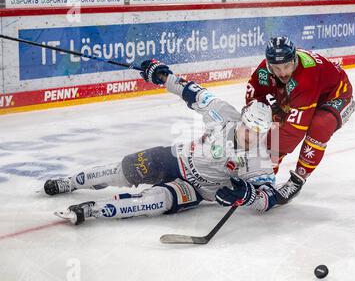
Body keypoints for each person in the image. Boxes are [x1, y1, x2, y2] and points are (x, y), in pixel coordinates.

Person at [44, 59, 285, 225]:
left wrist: (247, 195)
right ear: (241, 117)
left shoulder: (261, 158)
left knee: (154, 202)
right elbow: (191, 92)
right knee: (123, 170)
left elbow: (270, 198)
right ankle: (71, 182)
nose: (249, 134)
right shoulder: (223, 112)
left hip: (197, 190)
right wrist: (163, 76)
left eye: (257, 131)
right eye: (247, 126)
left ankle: (90, 211)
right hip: (175, 158)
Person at [245, 36, 355, 202]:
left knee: (319, 125)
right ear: (268, 64)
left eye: (287, 66)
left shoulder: (306, 78)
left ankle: (297, 180)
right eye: (277, 68)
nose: (282, 73)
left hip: (336, 98)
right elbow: (253, 99)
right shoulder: (263, 70)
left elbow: (293, 132)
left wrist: (265, 166)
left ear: (294, 59)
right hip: (305, 97)